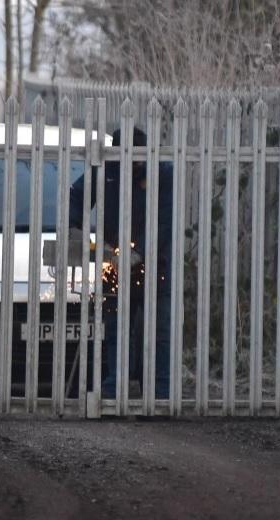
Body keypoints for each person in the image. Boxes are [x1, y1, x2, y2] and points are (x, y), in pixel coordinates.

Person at [69, 127, 173, 400]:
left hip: (155, 266)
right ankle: (115, 389)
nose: (133, 165)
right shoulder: (106, 171)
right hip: (114, 263)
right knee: (116, 329)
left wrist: (139, 252)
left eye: (137, 159)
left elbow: (165, 221)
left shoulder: (162, 174)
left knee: (159, 331)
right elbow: (76, 196)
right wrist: (77, 230)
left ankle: (160, 394)